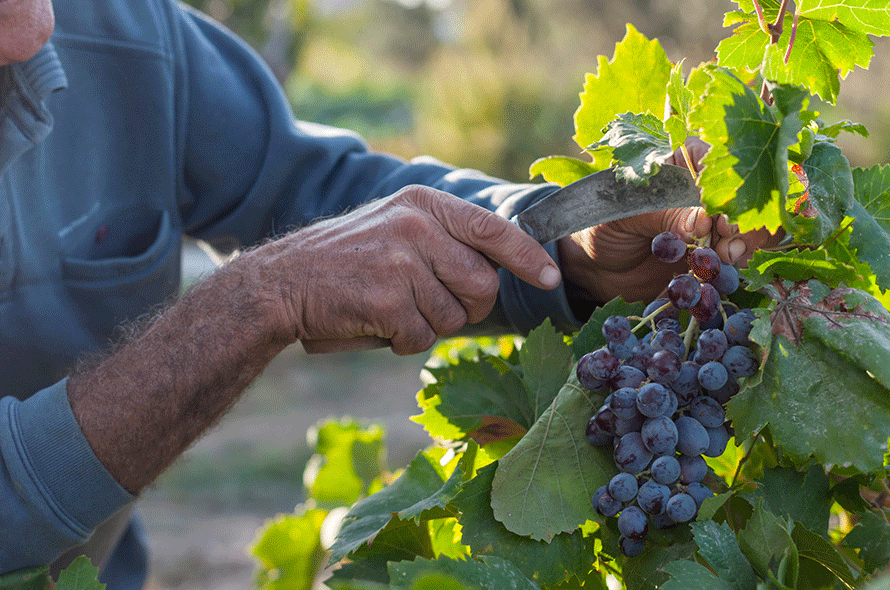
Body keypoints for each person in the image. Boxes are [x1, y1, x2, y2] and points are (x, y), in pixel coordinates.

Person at [0, 0, 772, 587]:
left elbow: (315, 191)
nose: (33, 35)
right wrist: (254, 299)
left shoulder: (119, 27)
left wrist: (567, 248)